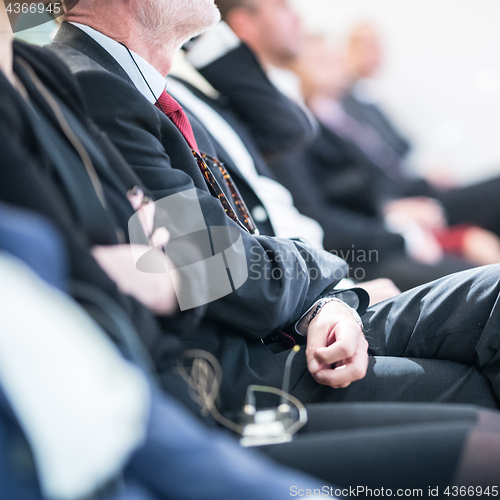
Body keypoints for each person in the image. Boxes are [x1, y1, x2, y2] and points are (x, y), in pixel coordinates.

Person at [3, 0, 500, 490]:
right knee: (485, 426)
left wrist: (323, 300)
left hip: (295, 309)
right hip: (242, 358)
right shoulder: (91, 81)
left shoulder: (138, 81)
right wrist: (322, 279)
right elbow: (217, 269)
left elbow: (231, 240)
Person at [215, 0, 500, 289]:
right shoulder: (268, 111)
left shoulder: (297, 105)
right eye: (282, 6)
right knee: (483, 281)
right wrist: (402, 230)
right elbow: (315, 216)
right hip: (346, 254)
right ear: (245, 23)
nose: (297, 16)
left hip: (369, 227)